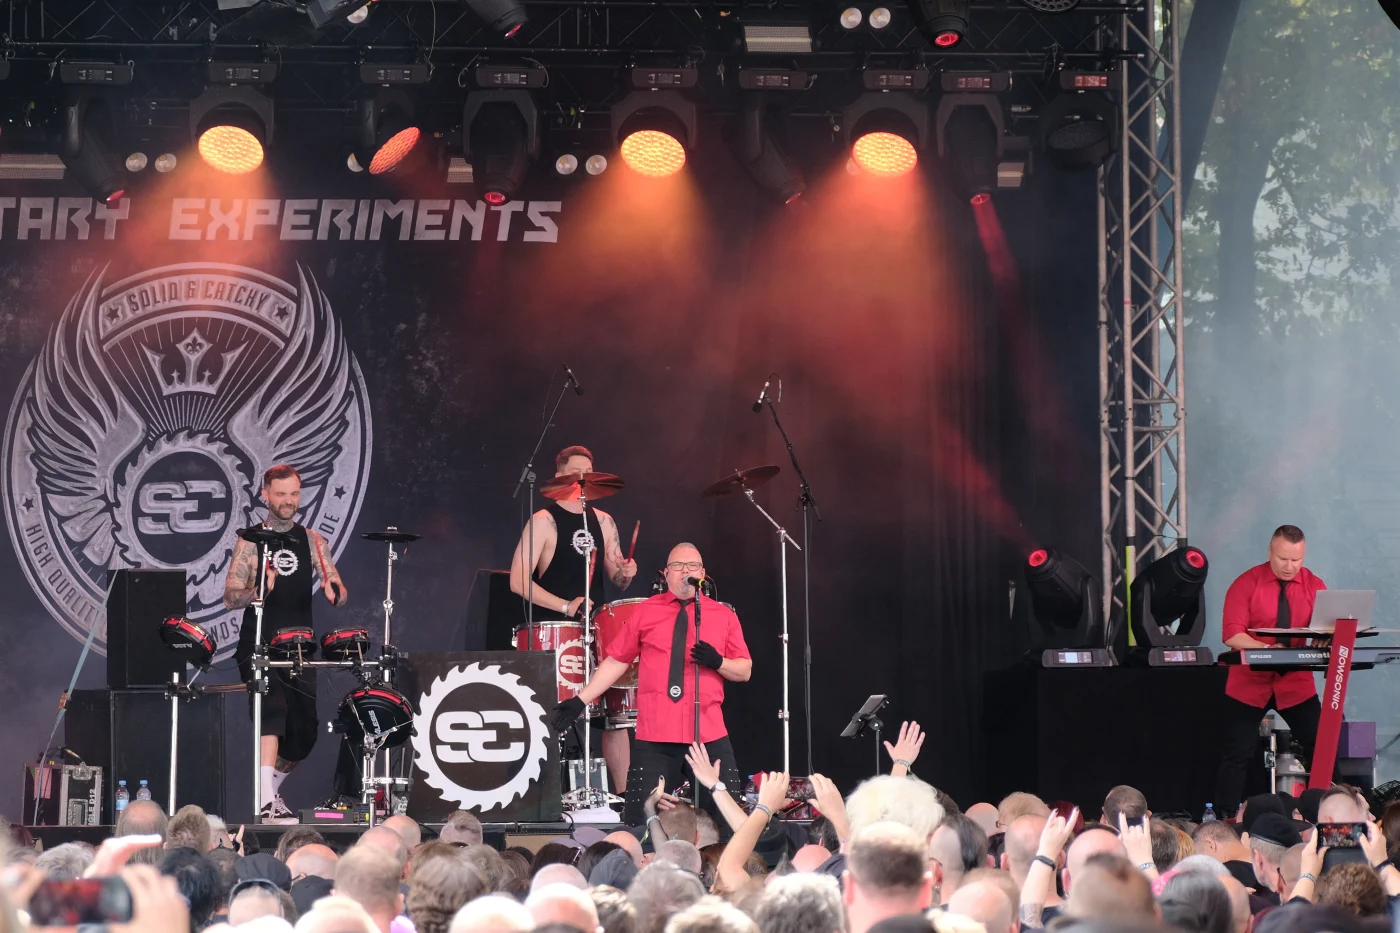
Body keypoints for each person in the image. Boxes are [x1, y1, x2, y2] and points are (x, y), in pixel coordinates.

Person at [551, 542, 751, 824]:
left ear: (702, 573)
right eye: (677, 566)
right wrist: (579, 700)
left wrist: (719, 662)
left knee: (727, 821)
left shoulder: (723, 615)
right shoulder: (646, 612)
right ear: (666, 574)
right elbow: (616, 661)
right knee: (640, 821)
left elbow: (744, 670)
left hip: (707, 734)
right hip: (656, 735)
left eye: (692, 566)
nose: (685, 571)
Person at [225, 464, 350, 824]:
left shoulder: (312, 541)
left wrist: (335, 592)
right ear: (265, 494)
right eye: (280, 494)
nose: (288, 501)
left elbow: (338, 588)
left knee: (304, 735)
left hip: (298, 648)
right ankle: (265, 801)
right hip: (259, 645)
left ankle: (271, 791)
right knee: (273, 710)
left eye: (294, 494)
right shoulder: (251, 541)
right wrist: (258, 591)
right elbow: (230, 597)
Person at [511, 445, 640, 792]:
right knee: (551, 713)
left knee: (614, 718)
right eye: (574, 474)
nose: (582, 480)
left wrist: (627, 571)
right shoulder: (544, 520)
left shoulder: (604, 521)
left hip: (598, 629)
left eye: (588, 474)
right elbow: (518, 581)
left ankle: (624, 799)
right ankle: (543, 796)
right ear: (560, 477)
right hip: (556, 630)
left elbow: (617, 579)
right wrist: (567, 606)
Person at [1215, 525, 1326, 814]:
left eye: (1296, 560)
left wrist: (1327, 636)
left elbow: (1328, 627)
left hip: (1296, 682)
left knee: (1322, 747)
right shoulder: (1245, 583)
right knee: (1237, 753)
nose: (1290, 567)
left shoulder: (1315, 585)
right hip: (1248, 683)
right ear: (1269, 552)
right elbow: (1232, 635)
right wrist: (1266, 649)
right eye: (1283, 559)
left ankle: (1328, 812)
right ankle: (1225, 818)